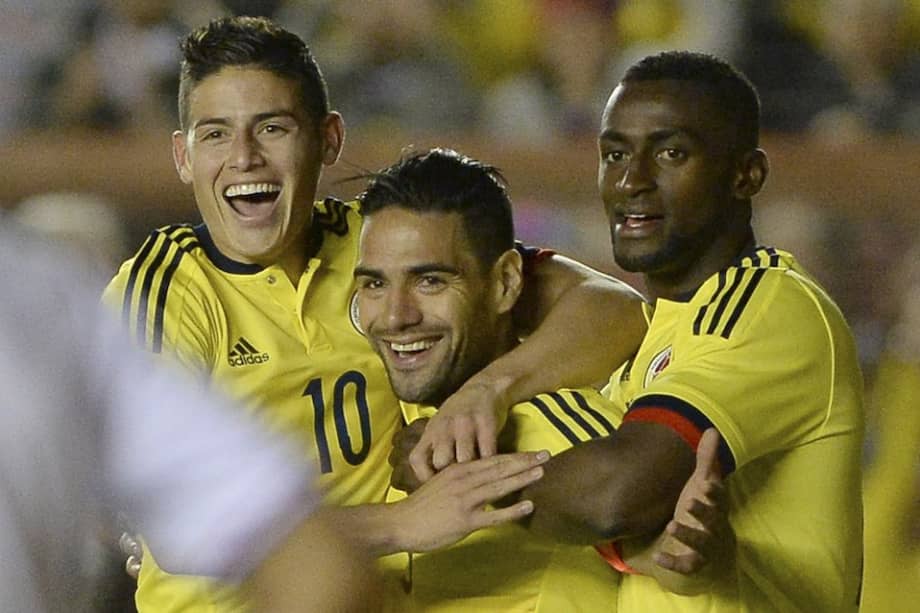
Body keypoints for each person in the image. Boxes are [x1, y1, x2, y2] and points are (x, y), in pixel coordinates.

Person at [101, 15, 647, 611]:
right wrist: (403, 523)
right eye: (215, 135)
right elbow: (180, 524)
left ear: (329, 140)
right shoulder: (163, 291)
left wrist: (487, 392)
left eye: (272, 128)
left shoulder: (381, 242)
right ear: (183, 156)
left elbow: (613, 308)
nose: (244, 158)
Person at [413, 51, 865, 611]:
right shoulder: (657, 327)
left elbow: (615, 494)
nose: (632, 181)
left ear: (746, 175)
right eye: (615, 154)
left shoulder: (766, 307)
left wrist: (455, 476)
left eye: (671, 153)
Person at [354, 147, 729, 611]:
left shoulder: (565, 434)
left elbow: (654, 540)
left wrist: (675, 555)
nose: (396, 316)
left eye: (430, 281)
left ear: (506, 283)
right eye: (374, 284)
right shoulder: (414, 404)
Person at [0, 221, 381, 613]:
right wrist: (404, 523)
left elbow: (317, 566)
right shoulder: (54, 297)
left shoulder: (44, 304)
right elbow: (317, 565)